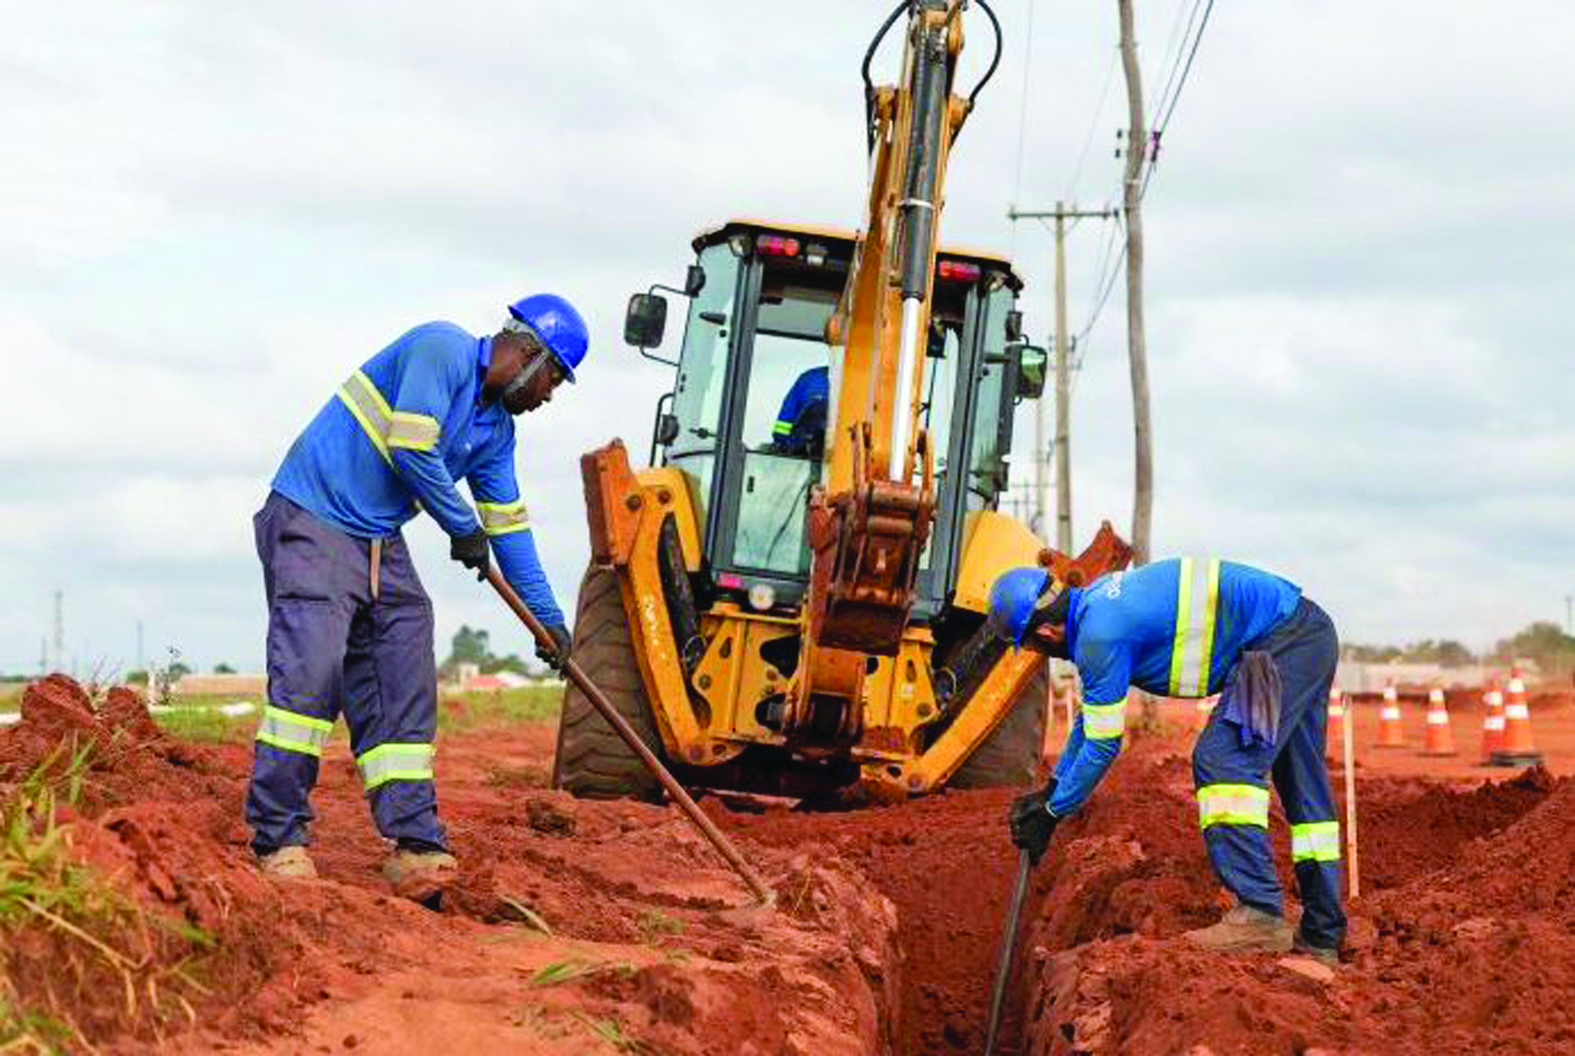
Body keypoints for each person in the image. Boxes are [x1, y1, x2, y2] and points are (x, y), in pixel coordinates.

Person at [248, 294, 586, 900]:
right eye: (554, 379)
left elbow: (509, 529)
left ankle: (415, 843)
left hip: (377, 535)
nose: (549, 396)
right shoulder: (442, 348)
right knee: (312, 678)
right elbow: (411, 448)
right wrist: (461, 526)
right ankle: (279, 839)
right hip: (313, 517)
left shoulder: (495, 433)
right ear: (530, 354)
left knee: (405, 653)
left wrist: (550, 624)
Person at [989, 557, 1345, 964]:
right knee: (1302, 781)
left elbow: (1104, 744)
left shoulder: (1098, 636)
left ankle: (1260, 913)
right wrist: (1052, 793)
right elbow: (1090, 722)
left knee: (1223, 762)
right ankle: (1322, 935)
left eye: (1034, 647)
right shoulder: (1097, 606)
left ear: (1046, 631)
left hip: (1281, 642)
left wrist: (1055, 812)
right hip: (1305, 632)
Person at [769, 364, 828, 456]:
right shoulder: (853, 381)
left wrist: (780, 443)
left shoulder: (809, 377)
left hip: (802, 447)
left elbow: (787, 414)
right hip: (838, 450)